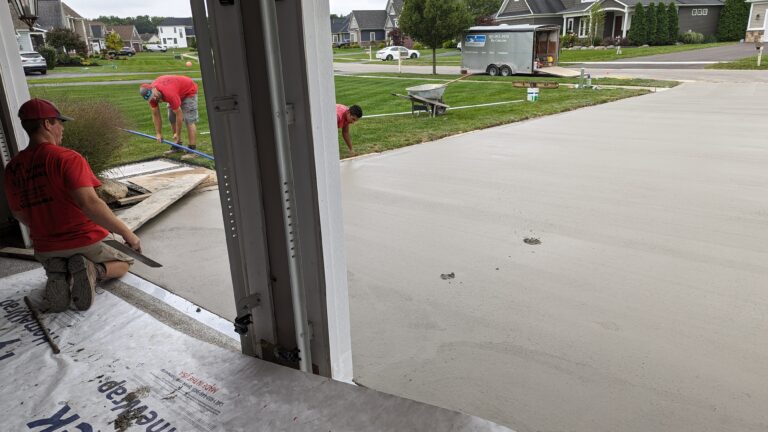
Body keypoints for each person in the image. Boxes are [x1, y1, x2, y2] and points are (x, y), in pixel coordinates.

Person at [3, 98, 141, 313]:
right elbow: (90, 203)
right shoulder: (67, 158)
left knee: (63, 261)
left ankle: (60, 273)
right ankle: (95, 270)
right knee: (124, 263)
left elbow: (18, 212)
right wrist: (127, 233)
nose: (62, 129)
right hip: (85, 239)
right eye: (60, 123)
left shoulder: (12, 168)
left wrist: (46, 226)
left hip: (45, 247)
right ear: (48, 124)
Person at [139, 75, 199, 160]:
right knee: (171, 117)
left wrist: (177, 134)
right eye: (152, 98)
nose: (155, 98)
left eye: (154, 95)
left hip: (188, 90)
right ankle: (177, 146)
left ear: (154, 89)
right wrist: (158, 133)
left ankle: (192, 150)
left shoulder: (169, 93)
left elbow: (179, 115)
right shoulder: (152, 98)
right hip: (175, 90)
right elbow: (155, 114)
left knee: (189, 120)